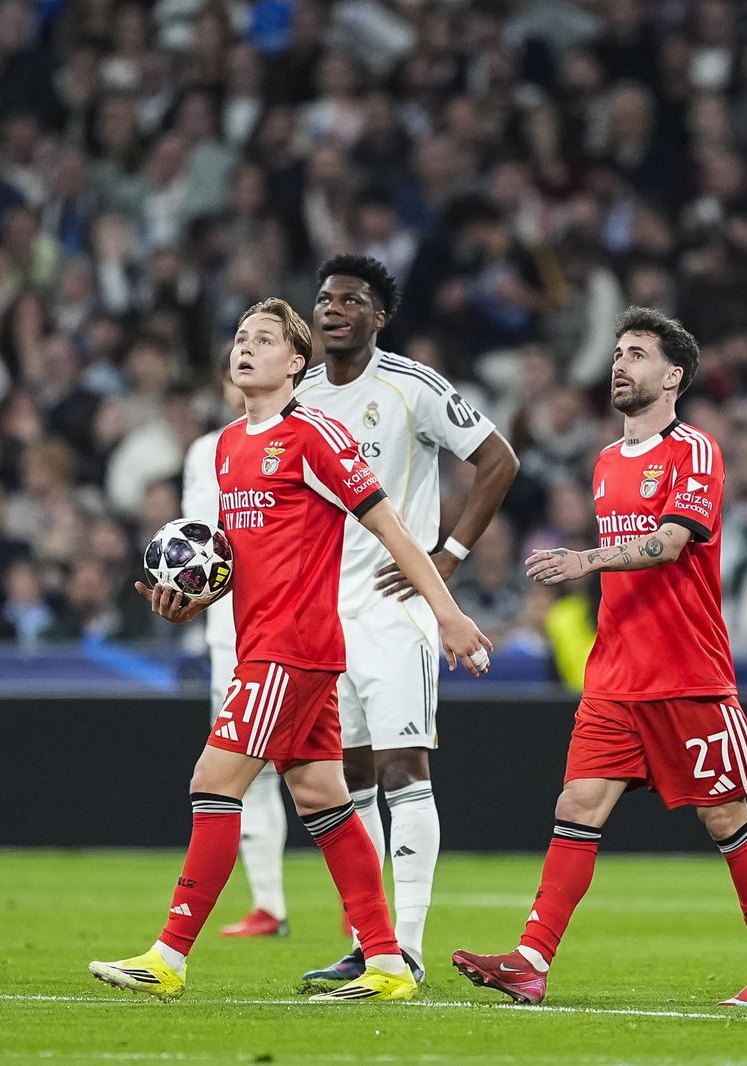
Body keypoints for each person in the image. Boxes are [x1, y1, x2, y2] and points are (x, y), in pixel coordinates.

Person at [88, 298, 492, 1003]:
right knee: (323, 799)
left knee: (213, 783)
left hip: (292, 649)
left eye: (264, 339)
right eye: (240, 337)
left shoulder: (314, 435)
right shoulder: (227, 447)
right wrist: (194, 597)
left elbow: (390, 527)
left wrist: (447, 613)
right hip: (266, 645)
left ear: (296, 362)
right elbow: (248, 560)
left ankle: (169, 956)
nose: (245, 348)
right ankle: (388, 962)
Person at [451, 307, 747, 1008]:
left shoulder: (695, 450)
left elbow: (670, 543)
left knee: (724, 817)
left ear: (672, 377)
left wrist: (584, 559)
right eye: (617, 352)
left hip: (686, 671)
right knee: (578, 803)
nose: (619, 364)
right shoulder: (607, 462)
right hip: (615, 673)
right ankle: (531, 961)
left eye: (637, 353)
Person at [296, 254, 519, 987]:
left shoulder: (411, 386)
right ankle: (374, 943)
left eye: (350, 300)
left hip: (396, 609)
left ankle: (410, 947)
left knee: (402, 766)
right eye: (325, 299)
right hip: (323, 613)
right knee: (348, 776)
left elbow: (498, 459)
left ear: (378, 317)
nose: (333, 310)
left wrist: (449, 556)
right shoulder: (300, 398)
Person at [180, 376, 292, 939]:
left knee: (335, 768)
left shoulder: (298, 440)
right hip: (227, 631)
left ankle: (359, 907)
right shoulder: (208, 449)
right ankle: (268, 904)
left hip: (289, 626)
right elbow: (196, 543)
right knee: (250, 774)